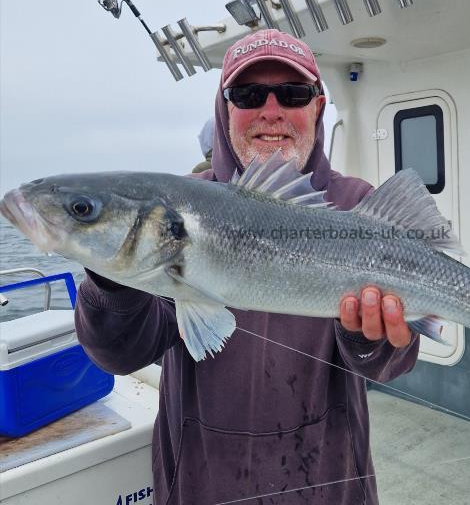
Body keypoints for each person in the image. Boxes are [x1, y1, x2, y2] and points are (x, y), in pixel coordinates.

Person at [75, 28, 420, 505]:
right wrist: (110, 277)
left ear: (317, 108)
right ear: (225, 109)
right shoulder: (175, 214)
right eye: (248, 94)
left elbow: (394, 361)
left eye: (293, 94)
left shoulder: (355, 206)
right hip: (201, 484)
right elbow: (120, 354)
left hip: (329, 483)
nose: (271, 111)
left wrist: (368, 339)